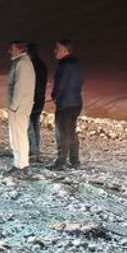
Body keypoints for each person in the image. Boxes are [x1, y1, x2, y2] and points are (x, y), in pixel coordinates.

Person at [50, 39, 85, 169]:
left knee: (62, 133)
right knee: (71, 131)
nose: (55, 51)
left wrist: (55, 96)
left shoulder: (64, 65)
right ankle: (74, 160)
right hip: (76, 101)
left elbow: (61, 84)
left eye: (57, 49)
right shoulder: (77, 63)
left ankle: (60, 162)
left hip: (65, 102)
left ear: (65, 50)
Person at [5, 40, 36, 176]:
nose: (9, 51)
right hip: (20, 105)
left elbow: (19, 86)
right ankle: (19, 163)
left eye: (11, 48)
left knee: (18, 135)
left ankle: (21, 165)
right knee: (17, 135)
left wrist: (13, 105)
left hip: (19, 106)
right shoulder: (22, 62)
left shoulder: (22, 63)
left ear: (18, 49)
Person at [27, 43, 48, 161]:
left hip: (32, 99)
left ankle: (33, 151)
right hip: (40, 99)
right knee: (35, 124)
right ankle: (35, 151)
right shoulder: (42, 65)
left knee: (30, 126)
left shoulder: (32, 65)